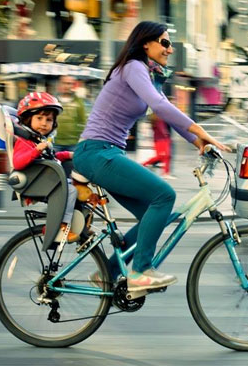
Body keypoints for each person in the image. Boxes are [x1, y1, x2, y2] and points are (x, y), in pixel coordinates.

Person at [73, 21, 227, 292]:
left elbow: (165, 111)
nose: (169, 49)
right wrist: (200, 129)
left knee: (154, 217)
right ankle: (141, 271)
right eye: (165, 43)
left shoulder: (146, 74)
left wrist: (198, 141)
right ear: (146, 43)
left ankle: (106, 274)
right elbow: (159, 105)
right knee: (164, 196)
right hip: (96, 152)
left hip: (106, 154)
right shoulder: (133, 67)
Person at [13, 92, 80, 243]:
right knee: (71, 190)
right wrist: (36, 150)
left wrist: (67, 155)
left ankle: (79, 222)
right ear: (28, 119)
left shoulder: (38, 139)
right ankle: (62, 227)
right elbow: (18, 162)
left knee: (79, 187)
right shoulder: (25, 141)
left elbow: (52, 157)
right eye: (39, 118)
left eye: (49, 120)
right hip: (36, 181)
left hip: (47, 178)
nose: (44, 123)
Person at [54, 75, 87, 152]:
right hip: (55, 142)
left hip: (73, 144)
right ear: (59, 84)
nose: (66, 86)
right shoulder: (53, 101)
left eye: (69, 83)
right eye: (64, 83)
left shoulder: (79, 102)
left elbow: (82, 122)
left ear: (73, 85)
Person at [142, 113, 175, 179]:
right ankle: (143, 164)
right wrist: (166, 135)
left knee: (166, 156)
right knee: (162, 156)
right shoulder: (158, 119)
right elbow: (162, 129)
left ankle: (165, 173)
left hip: (161, 139)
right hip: (161, 139)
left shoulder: (157, 118)